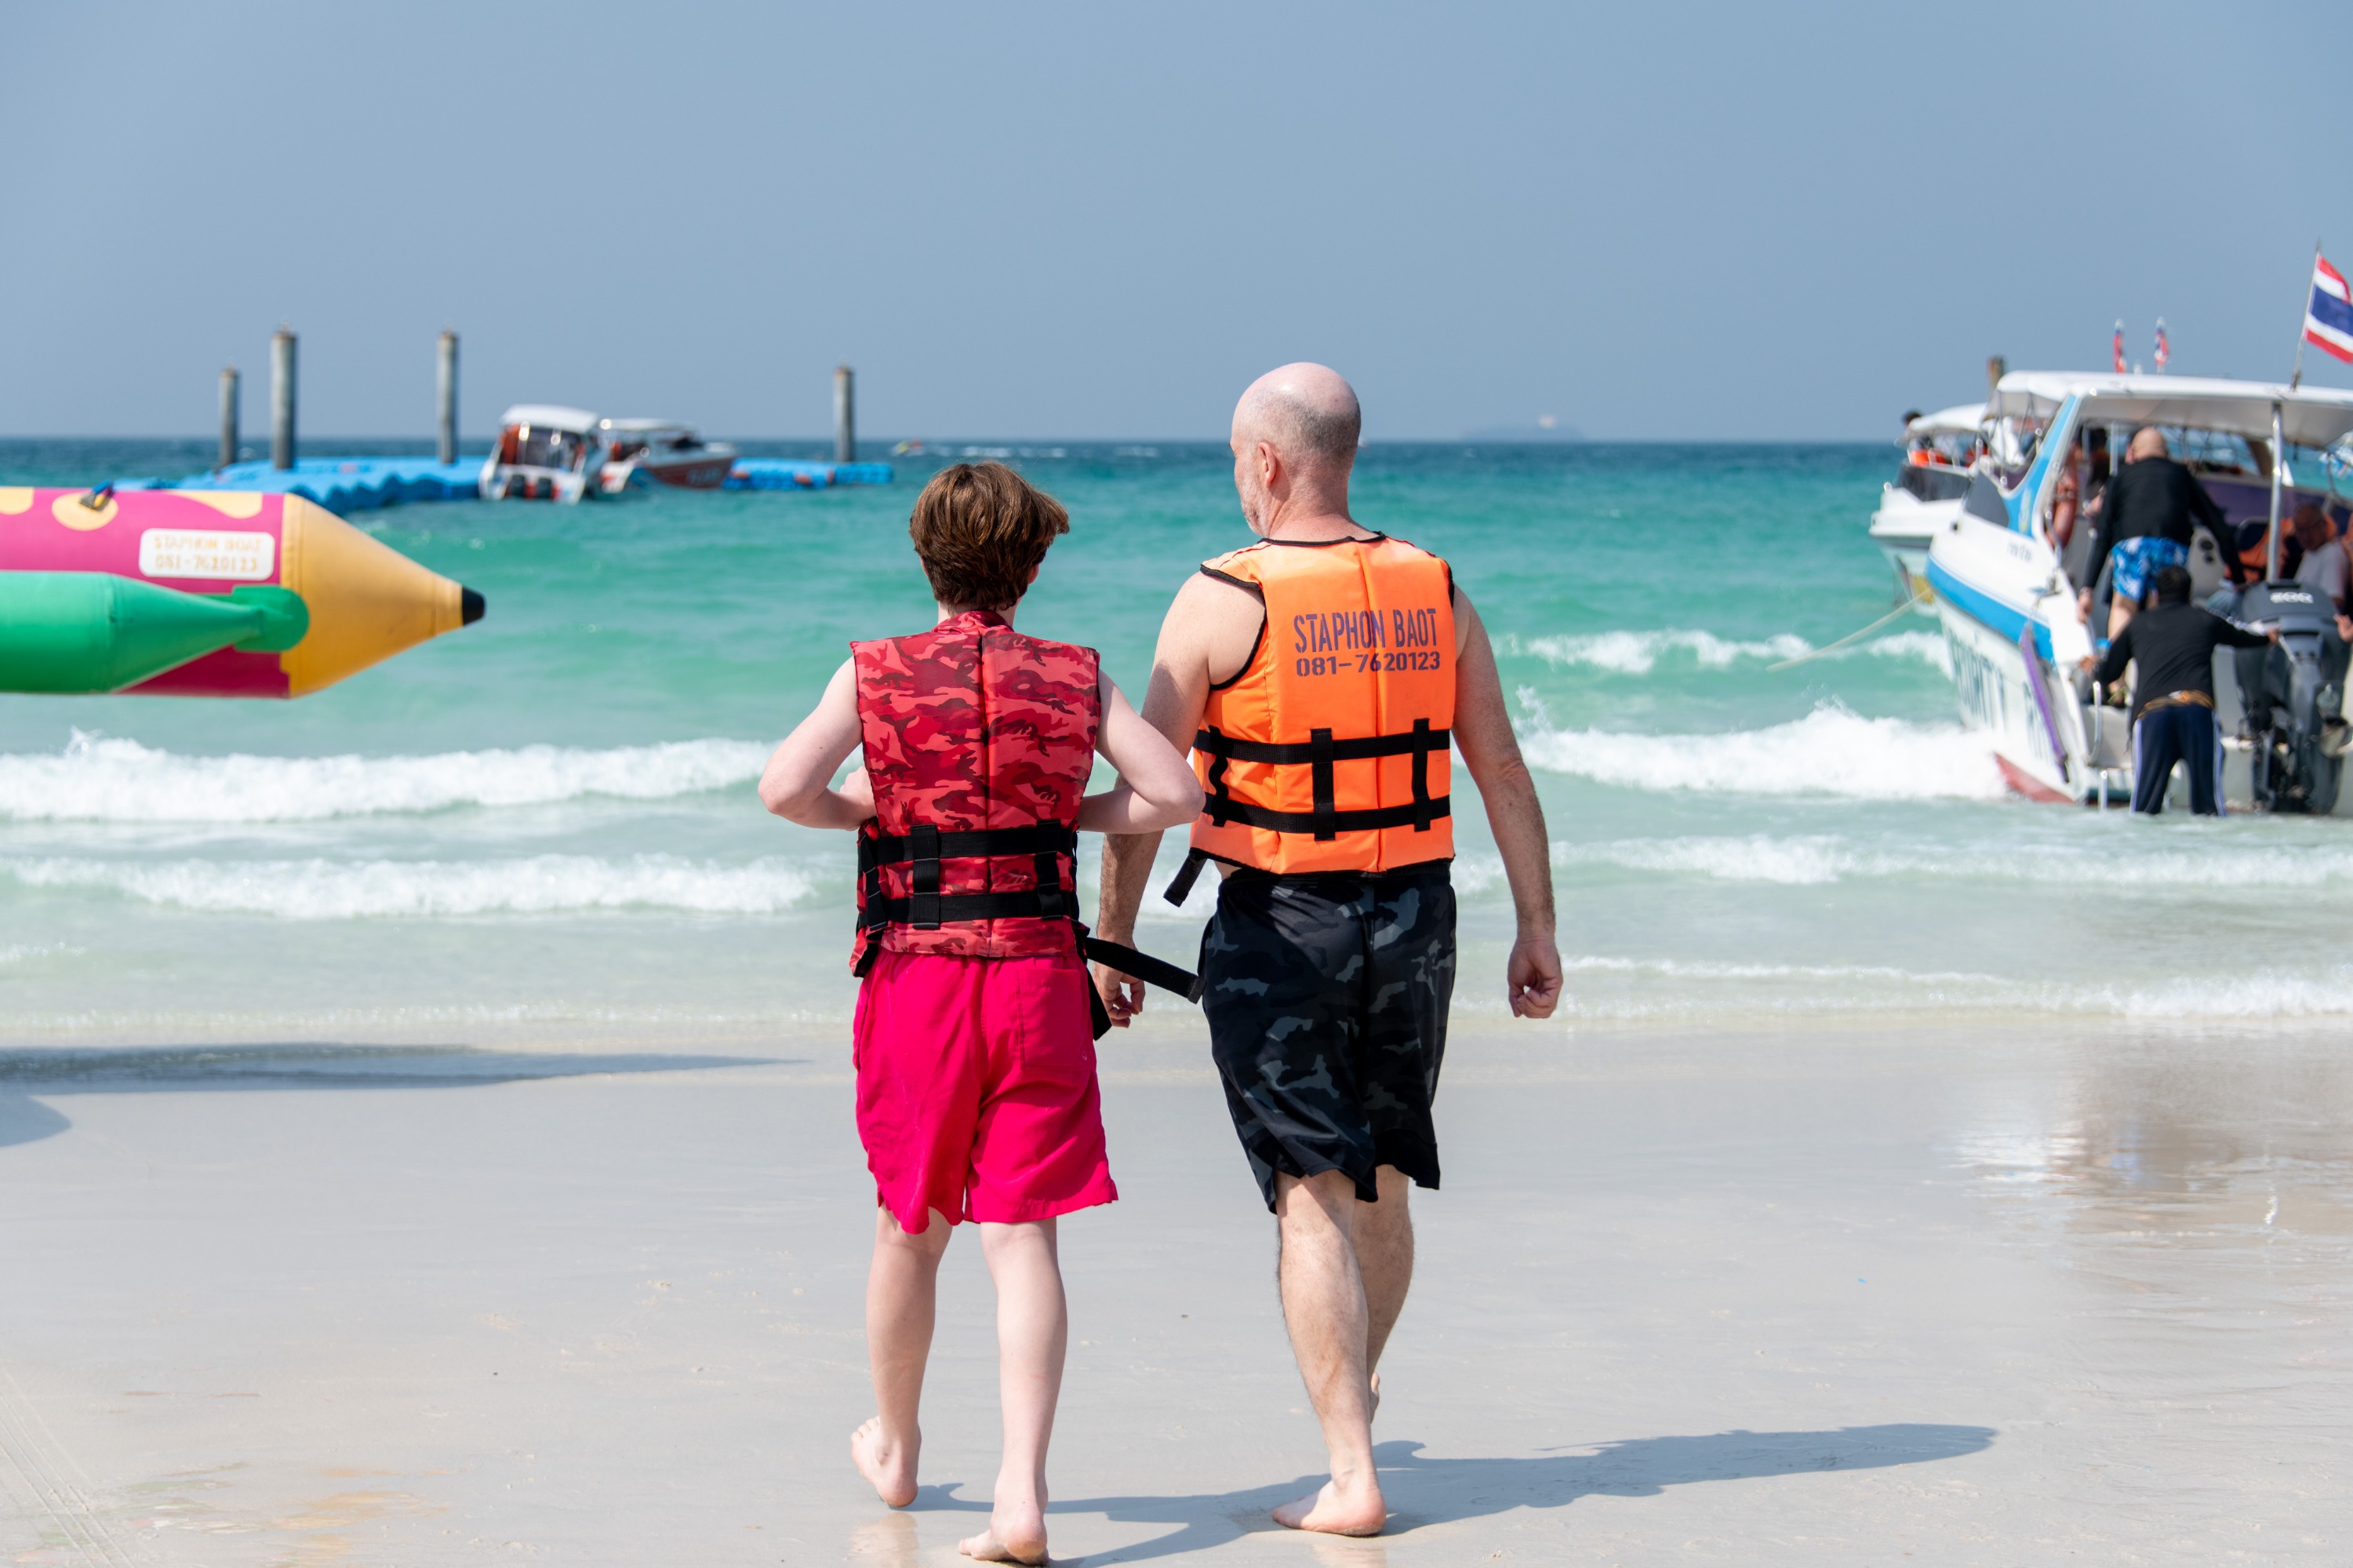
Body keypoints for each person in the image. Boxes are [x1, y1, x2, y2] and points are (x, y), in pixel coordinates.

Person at [1089, 364, 1565, 1537]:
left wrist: (1109, 936)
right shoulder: (1433, 585)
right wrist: (1539, 924)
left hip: (1281, 923)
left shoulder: (1218, 596)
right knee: (1384, 1175)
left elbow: (1146, 795)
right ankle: (1354, 1393)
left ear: (1265, 463)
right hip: (1415, 916)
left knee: (1311, 1193)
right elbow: (1500, 767)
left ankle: (1351, 1470)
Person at [758, 462, 1202, 1566]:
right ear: (1035, 565)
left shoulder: (875, 672)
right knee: (1022, 1235)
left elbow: (784, 789)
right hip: (1038, 980)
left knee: (909, 1223)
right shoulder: (1074, 676)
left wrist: (881, 803)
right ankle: (1020, 1495)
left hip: (920, 982)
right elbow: (1176, 794)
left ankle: (900, 1447)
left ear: (924, 559)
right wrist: (1066, 810)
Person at [2081, 563, 2275, 816]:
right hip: (2197, 711)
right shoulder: (2205, 619)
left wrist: (2093, 669)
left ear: (2156, 594)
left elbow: (2109, 673)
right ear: (2189, 593)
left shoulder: (2138, 624)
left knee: (2144, 810)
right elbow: (2245, 638)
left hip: (2153, 715)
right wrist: (2269, 638)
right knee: (2209, 811)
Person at [2076, 427, 2236, 641]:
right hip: (2171, 547)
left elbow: (2103, 535)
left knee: (2124, 607)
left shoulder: (2121, 478)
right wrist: (2238, 576)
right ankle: (2152, 667)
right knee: (2162, 610)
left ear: (2131, 452)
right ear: (2167, 454)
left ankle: (2117, 674)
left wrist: (2088, 590)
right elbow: (2219, 526)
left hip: (2132, 545)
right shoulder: (2182, 476)